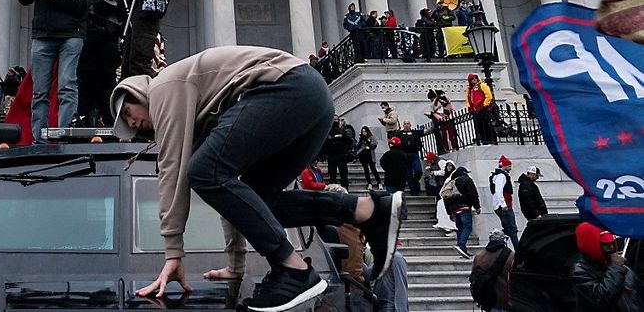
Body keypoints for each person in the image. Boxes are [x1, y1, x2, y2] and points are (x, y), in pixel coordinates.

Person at [110, 46, 405, 311]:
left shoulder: (164, 87)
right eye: (128, 126)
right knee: (256, 197)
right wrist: (236, 265)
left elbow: (172, 172)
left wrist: (173, 253)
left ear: (137, 94)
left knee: (202, 171)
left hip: (288, 88)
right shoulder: (197, 113)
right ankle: (366, 210)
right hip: (312, 99)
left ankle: (294, 270)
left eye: (127, 112)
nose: (132, 123)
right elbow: (232, 197)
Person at [17, 0, 97, 143]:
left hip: (72, 33)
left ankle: (64, 136)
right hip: (44, 33)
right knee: (40, 91)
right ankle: (39, 140)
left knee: (67, 85)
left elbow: (84, 4)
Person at [572, 221, 644, 311]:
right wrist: (616, 267)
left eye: (612, 242)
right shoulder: (580, 272)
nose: (611, 247)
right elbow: (602, 299)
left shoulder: (623, 270)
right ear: (592, 246)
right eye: (605, 244)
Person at [441, 165, 480, 259]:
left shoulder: (451, 182)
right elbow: (473, 194)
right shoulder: (467, 180)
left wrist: (449, 212)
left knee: (460, 228)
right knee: (467, 227)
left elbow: (445, 198)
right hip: (464, 207)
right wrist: (477, 206)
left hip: (454, 209)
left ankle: (462, 249)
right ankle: (461, 245)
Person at [470, 229, 514, 312]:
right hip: (506, 300)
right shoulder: (511, 256)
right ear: (503, 240)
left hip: (487, 300)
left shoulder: (479, 256)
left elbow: (473, 277)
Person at [490, 156, 519, 248]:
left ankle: (498, 247)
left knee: (507, 230)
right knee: (512, 229)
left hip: (501, 206)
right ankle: (518, 250)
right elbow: (499, 191)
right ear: (505, 166)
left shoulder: (497, 176)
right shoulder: (501, 176)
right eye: (509, 166)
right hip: (504, 206)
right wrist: (503, 204)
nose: (510, 168)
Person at [323, 114, 354, 191]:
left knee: (344, 176)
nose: (335, 121)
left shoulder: (342, 130)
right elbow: (324, 144)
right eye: (333, 119)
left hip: (341, 156)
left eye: (336, 119)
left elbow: (350, 141)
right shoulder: (327, 131)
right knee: (332, 176)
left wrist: (342, 136)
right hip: (331, 157)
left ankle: (345, 190)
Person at [372, 248, 409, 312]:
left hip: (390, 308)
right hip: (381, 306)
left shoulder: (396, 258)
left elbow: (401, 287)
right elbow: (369, 273)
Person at [466, 74, 496, 145]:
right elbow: (468, 98)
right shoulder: (470, 89)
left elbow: (488, 95)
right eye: (472, 79)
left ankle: (491, 139)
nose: (474, 80)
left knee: (486, 124)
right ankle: (483, 139)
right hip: (475, 110)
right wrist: (469, 107)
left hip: (483, 108)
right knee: (479, 126)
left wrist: (485, 104)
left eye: (475, 78)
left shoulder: (482, 85)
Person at [397, 120, 424, 196]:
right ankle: (413, 189)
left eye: (407, 124)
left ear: (410, 125)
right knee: (408, 173)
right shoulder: (399, 134)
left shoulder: (415, 133)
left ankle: (415, 182)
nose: (406, 125)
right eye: (405, 124)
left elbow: (427, 131)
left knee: (418, 171)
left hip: (414, 154)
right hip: (404, 155)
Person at [433, 160, 457, 235]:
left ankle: (452, 228)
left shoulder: (454, 175)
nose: (449, 167)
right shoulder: (446, 175)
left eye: (450, 166)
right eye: (447, 166)